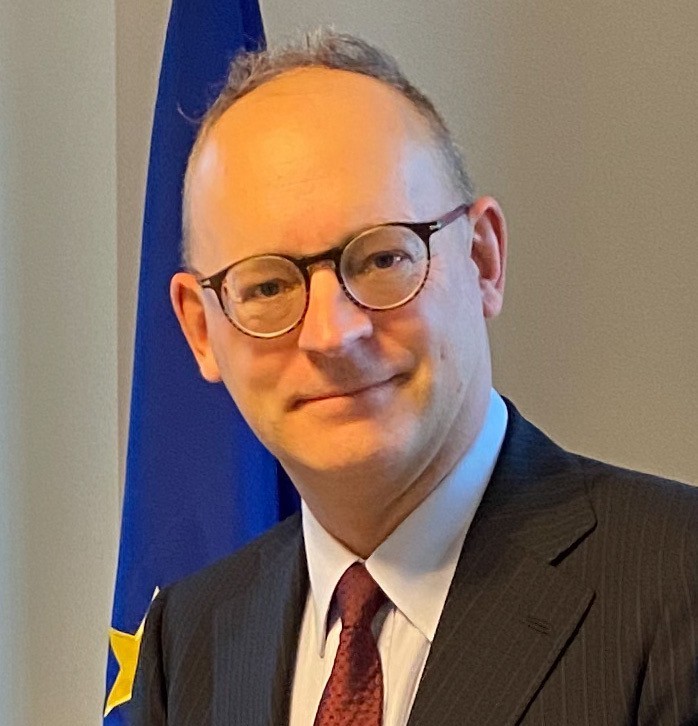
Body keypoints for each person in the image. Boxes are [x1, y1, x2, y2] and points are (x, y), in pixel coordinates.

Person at [131, 30, 698, 725]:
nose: (333, 334)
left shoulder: (679, 581)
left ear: (483, 259)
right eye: (268, 286)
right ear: (200, 329)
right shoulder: (187, 636)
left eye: (382, 260)